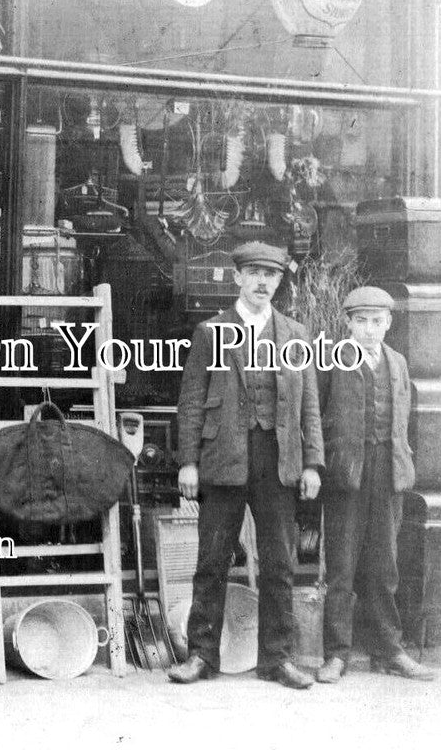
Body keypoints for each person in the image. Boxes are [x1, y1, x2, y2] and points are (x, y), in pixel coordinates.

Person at [168, 241, 324, 690]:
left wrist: (312, 463)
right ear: (237, 277)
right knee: (212, 560)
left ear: (279, 281)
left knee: (280, 562)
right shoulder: (210, 332)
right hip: (224, 459)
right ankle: (201, 656)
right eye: (253, 273)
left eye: (270, 275)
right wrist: (188, 463)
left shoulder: (296, 334)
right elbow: (192, 402)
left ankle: (277, 659)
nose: (262, 282)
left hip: (279, 462)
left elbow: (309, 405)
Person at [316, 286, 435, 683]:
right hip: (346, 473)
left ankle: (388, 650)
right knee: (342, 567)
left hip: (389, 471)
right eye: (362, 321)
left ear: (389, 323)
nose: (370, 330)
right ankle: (336, 654)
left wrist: (403, 459)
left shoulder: (398, 362)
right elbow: (313, 416)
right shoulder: (331, 360)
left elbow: (406, 419)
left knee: (385, 565)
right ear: (348, 323)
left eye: (378, 321)